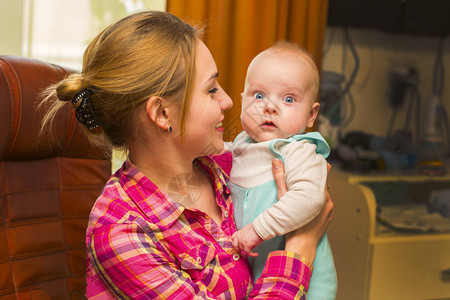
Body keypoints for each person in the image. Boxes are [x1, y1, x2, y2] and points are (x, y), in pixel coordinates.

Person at [39, 11, 334, 299]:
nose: (228, 101)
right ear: (162, 113)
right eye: (211, 90)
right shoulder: (121, 234)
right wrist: (301, 247)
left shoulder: (228, 165)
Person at [228, 42, 337, 299]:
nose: (270, 107)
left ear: (311, 115)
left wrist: (257, 230)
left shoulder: (298, 151)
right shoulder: (239, 146)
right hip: (257, 277)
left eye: (288, 99)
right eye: (258, 95)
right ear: (242, 101)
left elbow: (310, 197)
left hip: (304, 282)